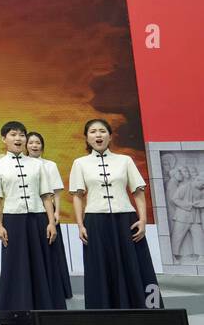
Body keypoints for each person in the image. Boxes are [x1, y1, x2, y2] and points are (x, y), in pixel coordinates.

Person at [69, 118, 161, 309]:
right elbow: (77, 196)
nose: (98, 135)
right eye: (93, 132)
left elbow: (138, 191)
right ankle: (104, 315)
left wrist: (143, 220)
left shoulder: (125, 160)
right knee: (100, 269)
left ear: (110, 136)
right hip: (95, 221)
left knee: (137, 266)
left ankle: (147, 312)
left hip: (126, 220)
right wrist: (80, 224)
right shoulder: (80, 163)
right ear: (86, 138)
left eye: (102, 131)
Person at [0, 121, 60, 312]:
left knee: (42, 262)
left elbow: (46, 195)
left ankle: (45, 308)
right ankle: (15, 308)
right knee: (15, 264)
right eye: (13, 134)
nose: (18, 138)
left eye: (22, 135)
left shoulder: (37, 165)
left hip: (38, 218)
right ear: (4, 139)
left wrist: (51, 223)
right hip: (13, 219)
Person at [27, 130, 72, 305]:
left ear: (42, 146)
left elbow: (56, 192)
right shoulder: (19, 164)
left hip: (48, 210)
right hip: (30, 209)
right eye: (31, 142)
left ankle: (57, 287)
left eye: (37, 142)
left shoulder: (50, 165)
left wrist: (56, 212)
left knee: (52, 248)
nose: (34, 145)